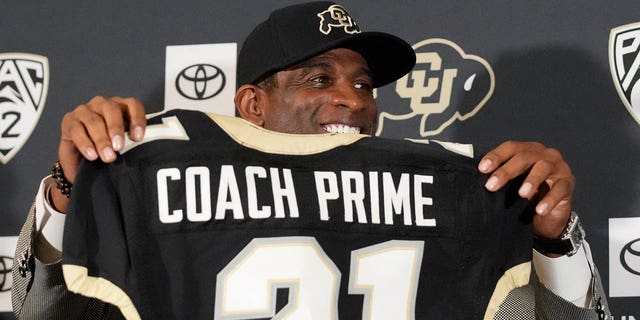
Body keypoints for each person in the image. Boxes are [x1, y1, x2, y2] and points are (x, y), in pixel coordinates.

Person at [12, 1, 611, 319]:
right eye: (317, 78)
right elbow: (42, 311)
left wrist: (553, 238)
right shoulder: (153, 170)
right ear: (251, 102)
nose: (351, 99)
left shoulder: (454, 186)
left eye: (366, 84)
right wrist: (73, 182)